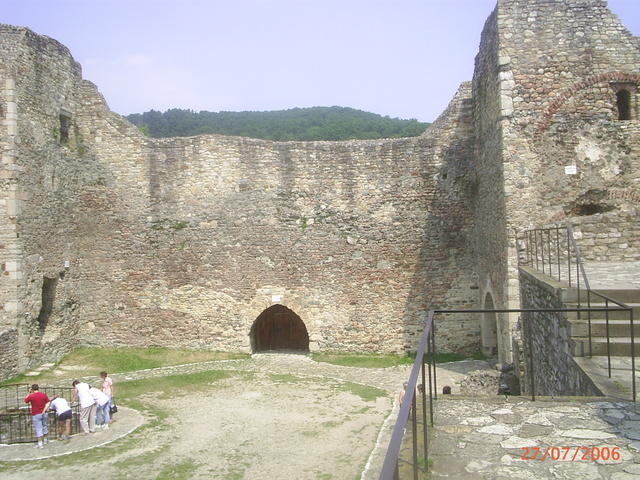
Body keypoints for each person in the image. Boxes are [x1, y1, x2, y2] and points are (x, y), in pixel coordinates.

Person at [24, 384, 50, 448]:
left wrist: (29, 393)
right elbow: (48, 402)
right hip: (44, 413)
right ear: (38, 388)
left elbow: (25, 400)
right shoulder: (43, 395)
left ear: (32, 389)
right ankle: (46, 439)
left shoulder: (31, 396)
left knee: (39, 428)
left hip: (36, 414)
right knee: (44, 425)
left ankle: (40, 443)